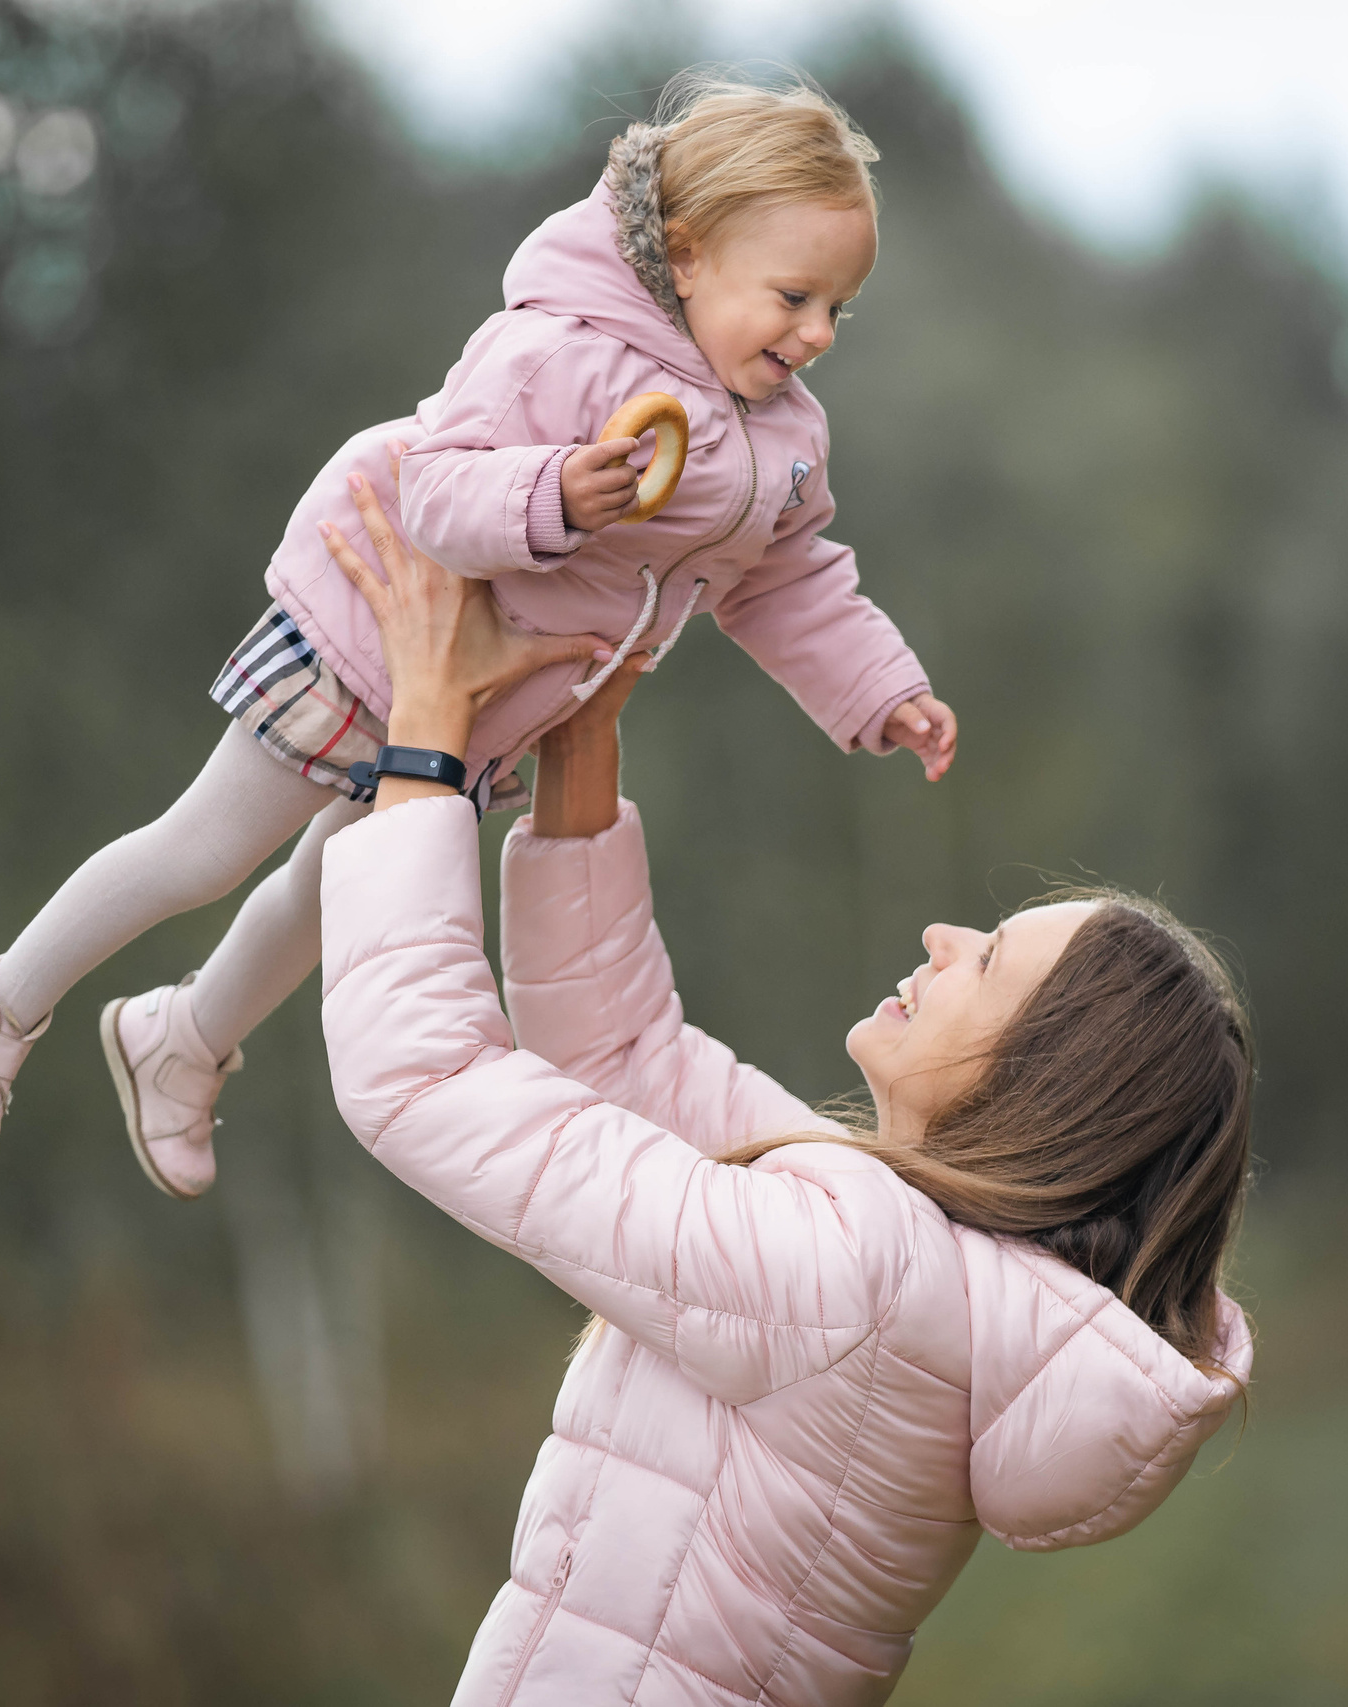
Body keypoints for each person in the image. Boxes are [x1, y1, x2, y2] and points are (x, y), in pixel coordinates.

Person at [0, 70, 957, 1197]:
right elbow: (434, 487)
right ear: (688, 255)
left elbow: (785, 579)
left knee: (327, 894)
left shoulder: (783, 440)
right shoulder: (559, 350)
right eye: (793, 295)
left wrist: (876, 689)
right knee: (207, 848)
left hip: (487, 702)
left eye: (837, 309)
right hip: (371, 638)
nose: (817, 332)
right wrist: (555, 493)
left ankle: (184, 1039)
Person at [314, 468, 1252, 1704]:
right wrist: (582, 733)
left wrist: (426, 725)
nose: (938, 940)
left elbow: (418, 1072)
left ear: (1043, 1087)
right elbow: (623, 1067)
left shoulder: (848, 1278)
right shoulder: (917, 1284)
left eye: (992, 960)